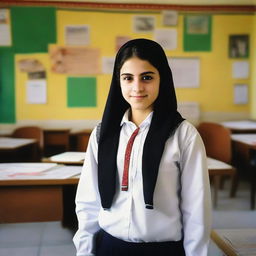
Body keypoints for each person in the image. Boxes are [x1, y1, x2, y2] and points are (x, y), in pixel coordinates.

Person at [73, 38, 212, 256]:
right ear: (118, 81)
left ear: (162, 80)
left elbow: (197, 209)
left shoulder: (183, 135)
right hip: (110, 247)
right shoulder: (103, 134)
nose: (137, 87)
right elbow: (88, 201)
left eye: (147, 77)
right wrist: (85, 251)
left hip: (164, 250)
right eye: (128, 78)